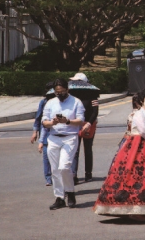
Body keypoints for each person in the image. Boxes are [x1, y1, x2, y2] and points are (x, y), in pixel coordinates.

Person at [94, 89, 145, 220]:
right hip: (137, 145)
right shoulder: (138, 114)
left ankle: (144, 209)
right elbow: (143, 131)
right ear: (141, 101)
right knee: (136, 176)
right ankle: (134, 210)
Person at [42, 78, 86, 210]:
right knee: (55, 169)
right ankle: (59, 197)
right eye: (57, 92)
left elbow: (80, 120)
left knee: (64, 167)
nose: (59, 94)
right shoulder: (50, 103)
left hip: (70, 137)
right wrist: (53, 123)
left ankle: (70, 192)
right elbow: (44, 121)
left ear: (67, 89)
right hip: (54, 137)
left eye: (61, 91)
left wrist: (67, 121)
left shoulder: (76, 102)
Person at [69, 72, 99, 184]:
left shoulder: (92, 94)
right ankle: (74, 175)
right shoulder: (71, 95)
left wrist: (89, 123)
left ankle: (88, 174)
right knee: (75, 151)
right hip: (76, 124)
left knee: (88, 149)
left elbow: (95, 111)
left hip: (88, 124)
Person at [31, 81, 54, 186]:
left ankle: (56, 176)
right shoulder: (44, 102)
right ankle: (48, 178)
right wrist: (35, 132)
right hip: (45, 132)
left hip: (56, 134)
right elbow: (38, 118)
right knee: (46, 156)